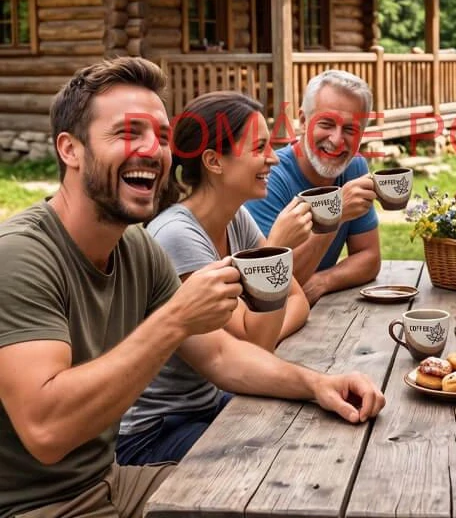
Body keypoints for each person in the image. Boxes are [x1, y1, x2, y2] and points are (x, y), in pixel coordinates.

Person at [0, 58, 385, 518]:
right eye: (128, 133)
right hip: (40, 507)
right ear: (71, 150)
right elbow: (47, 431)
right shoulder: (21, 255)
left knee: (285, 484)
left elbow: (222, 356)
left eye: (161, 137)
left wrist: (319, 384)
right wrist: (175, 318)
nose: (152, 150)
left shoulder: (137, 249)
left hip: (111, 483)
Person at [117, 91, 314, 465]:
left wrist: (262, 326)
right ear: (213, 161)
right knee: (280, 456)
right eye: (259, 147)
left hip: (207, 404)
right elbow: (258, 341)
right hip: (155, 432)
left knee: (304, 426)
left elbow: (297, 300)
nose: (273, 157)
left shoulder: (235, 217)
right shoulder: (177, 236)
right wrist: (274, 251)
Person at [246, 70, 381, 305]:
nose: (337, 140)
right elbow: (271, 284)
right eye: (326, 124)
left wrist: (323, 281)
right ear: (303, 121)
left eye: (350, 129)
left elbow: (369, 258)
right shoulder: (269, 178)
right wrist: (335, 214)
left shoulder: (354, 167)